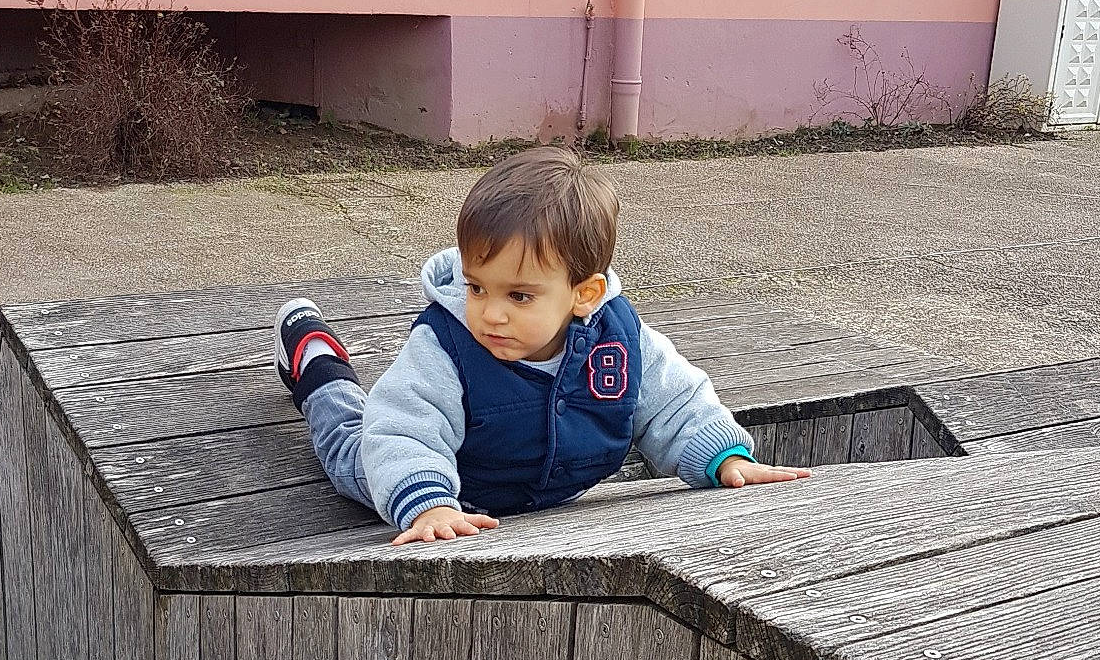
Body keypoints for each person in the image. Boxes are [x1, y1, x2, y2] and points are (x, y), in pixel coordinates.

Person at [274, 145, 809, 547]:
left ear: (584, 294)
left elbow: (676, 403)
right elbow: (402, 428)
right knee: (349, 439)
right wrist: (429, 505)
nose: (491, 313)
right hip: (441, 480)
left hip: (544, 487)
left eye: (519, 296)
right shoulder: (446, 346)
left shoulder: (620, 343)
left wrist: (724, 457)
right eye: (476, 287)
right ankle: (314, 359)